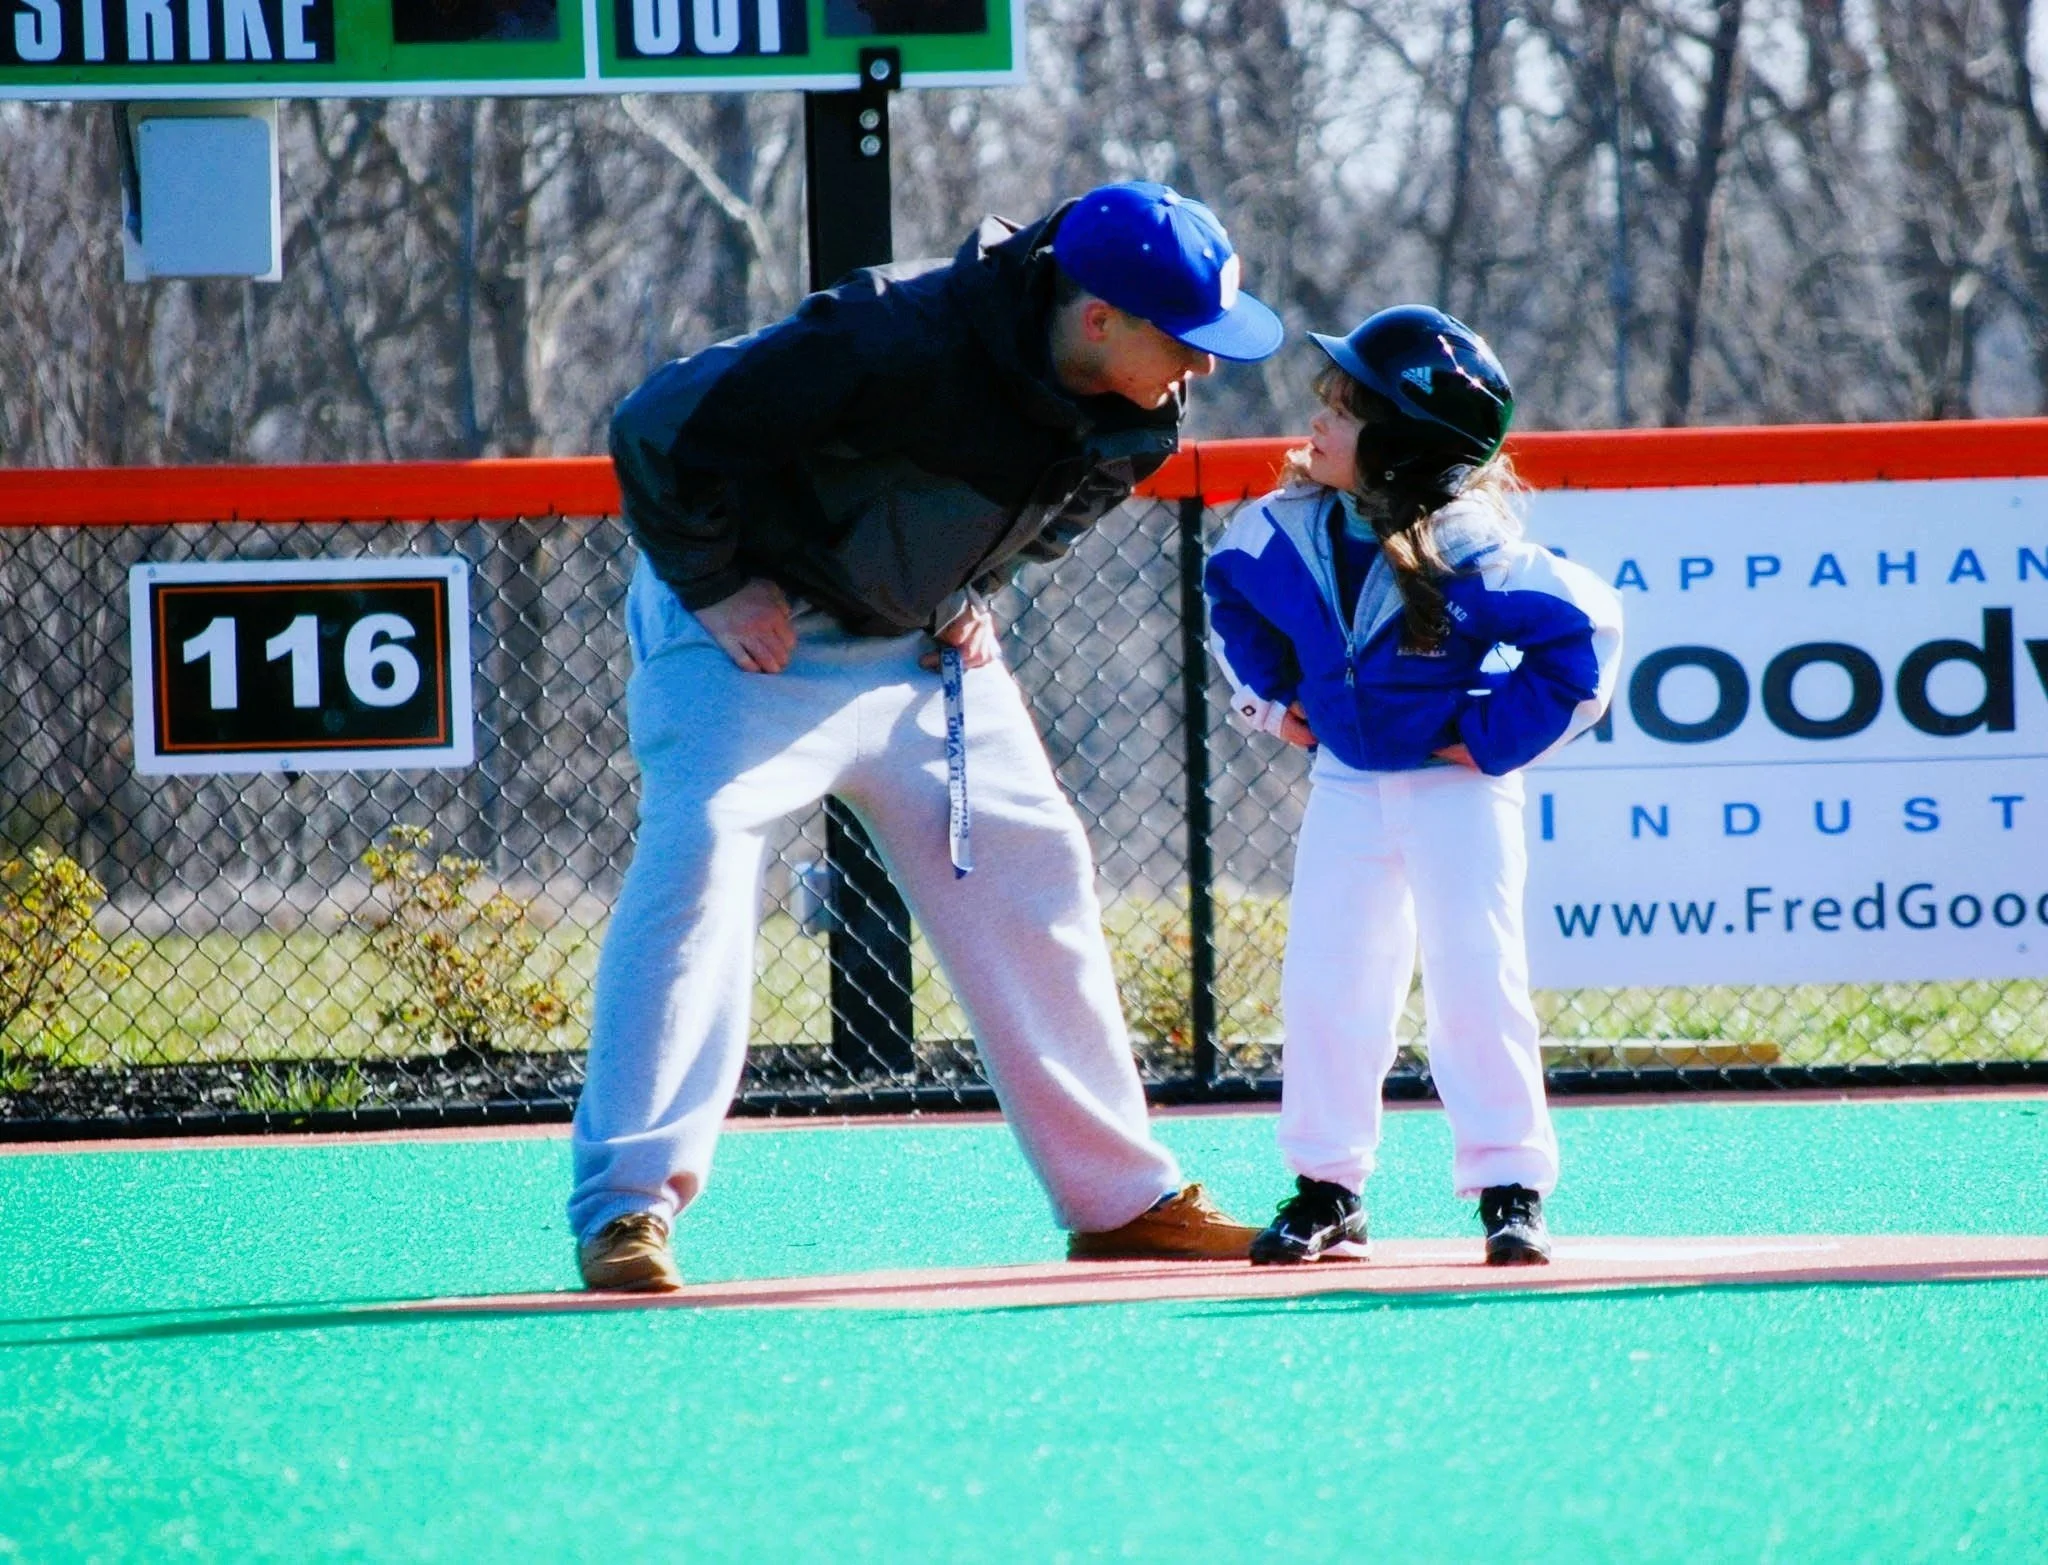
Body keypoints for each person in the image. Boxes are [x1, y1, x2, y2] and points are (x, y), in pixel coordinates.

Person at [575, 181, 1286, 1290]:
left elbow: (1052, 517)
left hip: (915, 648)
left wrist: (969, 582)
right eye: (1182, 339)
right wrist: (713, 583)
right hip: (750, 628)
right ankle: (626, 1209)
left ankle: (1119, 1201)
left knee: (1033, 858)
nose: (1202, 366)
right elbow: (655, 429)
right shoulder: (887, 330)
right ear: (1096, 315)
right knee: (701, 852)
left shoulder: (1139, 409)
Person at [1203, 306, 1622, 1267]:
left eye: (1346, 411)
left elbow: (1588, 636)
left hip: (1454, 793)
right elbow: (1230, 591)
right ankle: (1328, 1187)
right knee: (1329, 984)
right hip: (1348, 784)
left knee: (1477, 984)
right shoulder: (1280, 526)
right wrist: (1271, 702)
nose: (1316, 421)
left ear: (1401, 448)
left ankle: (1511, 1188)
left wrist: (1492, 734)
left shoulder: (1471, 550)